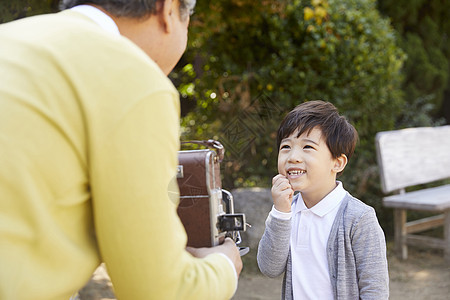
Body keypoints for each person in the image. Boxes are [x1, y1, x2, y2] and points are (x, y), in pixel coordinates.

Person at [0, 1, 242, 299]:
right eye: (188, 20)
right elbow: (160, 290)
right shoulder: (133, 76)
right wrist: (226, 265)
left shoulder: (10, 38)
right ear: (168, 10)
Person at [257, 100, 389, 299]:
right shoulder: (285, 211)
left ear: (337, 163)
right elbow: (269, 268)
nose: (293, 156)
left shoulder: (359, 218)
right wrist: (280, 213)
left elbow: (375, 290)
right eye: (285, 146)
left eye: (307, 147)